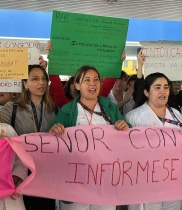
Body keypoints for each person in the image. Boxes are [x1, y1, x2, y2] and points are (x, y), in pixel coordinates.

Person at [49, 65, 130, 210]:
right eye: (87, 80)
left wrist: (124, 126)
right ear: (77, 85)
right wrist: (55, 130)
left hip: (105, 178)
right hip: (76, 181)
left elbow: (128, 133)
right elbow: (51, 143)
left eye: (96, 80)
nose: (93, 83)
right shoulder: (67, 111)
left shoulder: (110, 107)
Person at [125, 72, 182, 210]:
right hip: (146, 182)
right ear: (146, 92)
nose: (163, 91)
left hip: (174, 181)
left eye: (166, 87)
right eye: (157, 87)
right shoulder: (133, 118)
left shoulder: (179, 117)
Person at [0, 64, 57, 210]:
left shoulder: (54, 109)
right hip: (21, 173)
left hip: (46, 173)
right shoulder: (12, 108)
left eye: (44, 79)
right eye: (35, 79)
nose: (41, 83)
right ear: (25, 84)